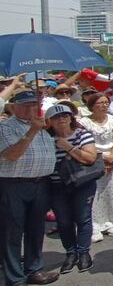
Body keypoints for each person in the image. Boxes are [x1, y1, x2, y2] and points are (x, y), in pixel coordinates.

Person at [0, 90, 60, 286]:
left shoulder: (43, 127)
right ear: (13, 107)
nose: (30, 109)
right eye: (25, 105)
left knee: (36, 229)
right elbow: (12, 155)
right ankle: (15, 277)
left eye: (34, 105)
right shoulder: (5, 128)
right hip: (14, 184)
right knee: (12, 232)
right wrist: (32, 131)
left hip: (41, 183)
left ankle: (34, 269)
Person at [46, 104, 98, 275]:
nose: (62, 119)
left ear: (71, 118)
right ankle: (71, 253)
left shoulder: (82, 134)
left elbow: (90, 158)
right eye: (56, 117)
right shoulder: (45, 138)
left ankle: (83, 252)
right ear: (50, 121)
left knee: (83, 218)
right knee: (63, 221)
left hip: (81, 183)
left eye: (66, 115)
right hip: (56, 185)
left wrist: (68, 147)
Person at [78, 93, 113, 243]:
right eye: (100, 103)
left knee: (110, 190)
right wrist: (102, 157)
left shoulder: (112, 119)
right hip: (93, 158)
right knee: (94, 192)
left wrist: (112, 155)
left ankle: (110, 221)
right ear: (92, 105)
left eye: (106, 102)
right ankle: (94, 224)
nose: (104, 105)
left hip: (111, 157)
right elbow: (82, 142)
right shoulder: (84, 122)